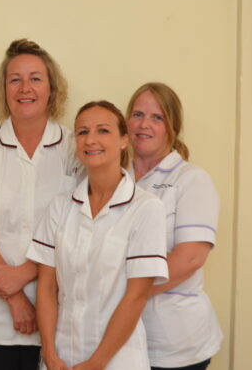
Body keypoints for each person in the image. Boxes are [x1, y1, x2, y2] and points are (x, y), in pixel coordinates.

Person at [0, 39, 78, 370]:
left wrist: (25, 273)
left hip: (60, 308)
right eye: (15, 79)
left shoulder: (73, 146)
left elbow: (79, 231)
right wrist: (14, 297)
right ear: (4, 89)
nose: (25, 88)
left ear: (52, 89)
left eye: (36, 78)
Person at [28, 100, 169, 369]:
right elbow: (46, 287)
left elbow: (136, 296)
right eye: (82, 132)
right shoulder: (60, 206)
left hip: (117, 360)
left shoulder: (146, 208)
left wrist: (96, 362)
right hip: (61, 357)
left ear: (124, 140)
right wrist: (49, 353)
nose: (91, 139)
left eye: (103, 131)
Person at [126, 83, 222, 370]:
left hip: (176, 343)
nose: (145, 125)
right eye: (138, 114)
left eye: (157, 118)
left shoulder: (192, 180)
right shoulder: (115, 179)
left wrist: (124, 293)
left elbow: (190, 258)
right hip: (122, 339)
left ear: (172, 127)